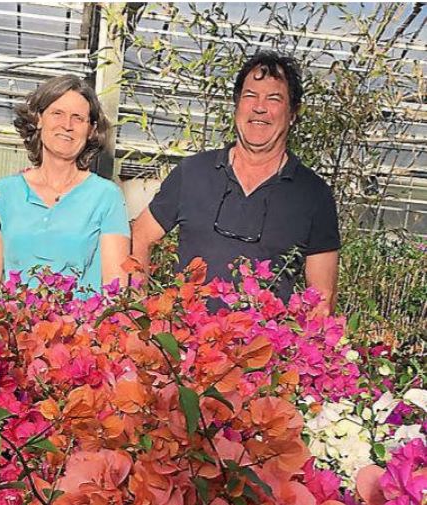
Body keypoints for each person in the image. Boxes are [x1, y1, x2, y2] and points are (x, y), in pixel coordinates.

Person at [131, 51, 341, 316]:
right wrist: (140, 314)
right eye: (250, 96)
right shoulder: (193, 173)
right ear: (236, 106)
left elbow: (322, 296)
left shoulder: (312, 195)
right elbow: (141, 236)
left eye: (274, 98)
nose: (260, 107)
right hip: (184, 347)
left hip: (264, 351)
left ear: (293, 114)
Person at [0, 75, 131, 295]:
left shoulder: (106, 197)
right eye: (57, 113)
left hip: (81, 327)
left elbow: (115, 289)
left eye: (78, 118)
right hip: (13, 326)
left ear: (92, 130)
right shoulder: (3, 193)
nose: (67, 125)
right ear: (38, 119)